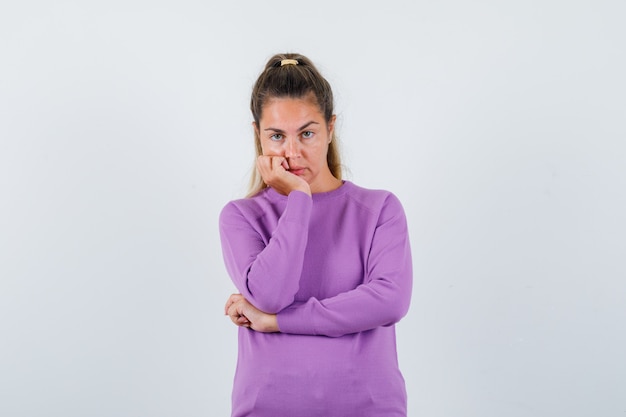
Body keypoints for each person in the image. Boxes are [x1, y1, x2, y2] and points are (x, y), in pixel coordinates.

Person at [219, 52, 413, 417]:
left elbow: (389, 300)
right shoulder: (240, 217)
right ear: (257, 136)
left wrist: (275, 323)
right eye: (277, 136)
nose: (292, 153)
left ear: (330, 128)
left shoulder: (380, 210)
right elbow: (271, 294)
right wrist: (300, 201)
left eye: (307, 133)